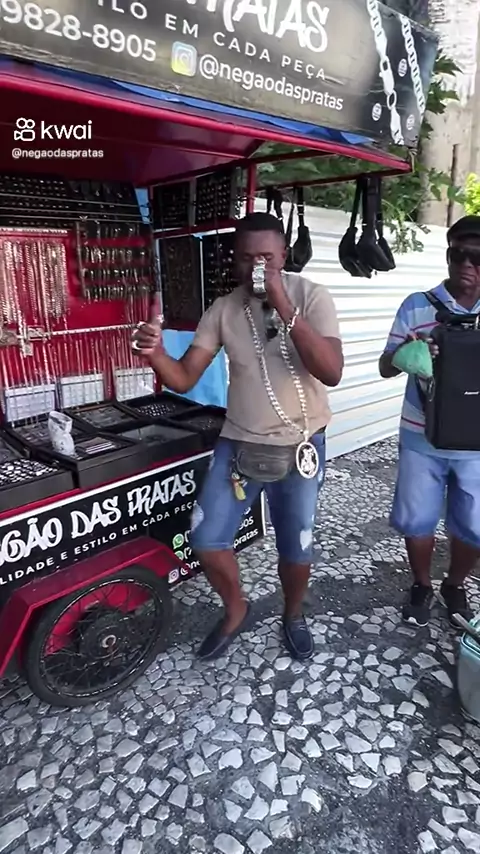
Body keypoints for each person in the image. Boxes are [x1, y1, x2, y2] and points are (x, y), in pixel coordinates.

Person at [133, 212, 343, 661]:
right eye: (247, 258)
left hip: (301, 444)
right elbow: (184, 377)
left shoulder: (313, 296)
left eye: (267, 257)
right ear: (234, 260)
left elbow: (331, 371)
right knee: (206, 539)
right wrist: (155, 353)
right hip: (239, 443)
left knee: (296, 545)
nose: (256, 267)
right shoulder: (224, 309)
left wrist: (284, 304)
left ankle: (293, 614)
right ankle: (236, 609)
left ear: (284, 255)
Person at [379, 215, 480, 628]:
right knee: (418, 519)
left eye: (478, 257)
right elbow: (386, 366)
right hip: (421, 436)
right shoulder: (416, 306)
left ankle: (455, 585)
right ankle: (421, 584)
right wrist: (409, 352)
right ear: (448, 256)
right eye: (459, 254)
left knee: (473, 525)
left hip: (477, 443)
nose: (467, 264)